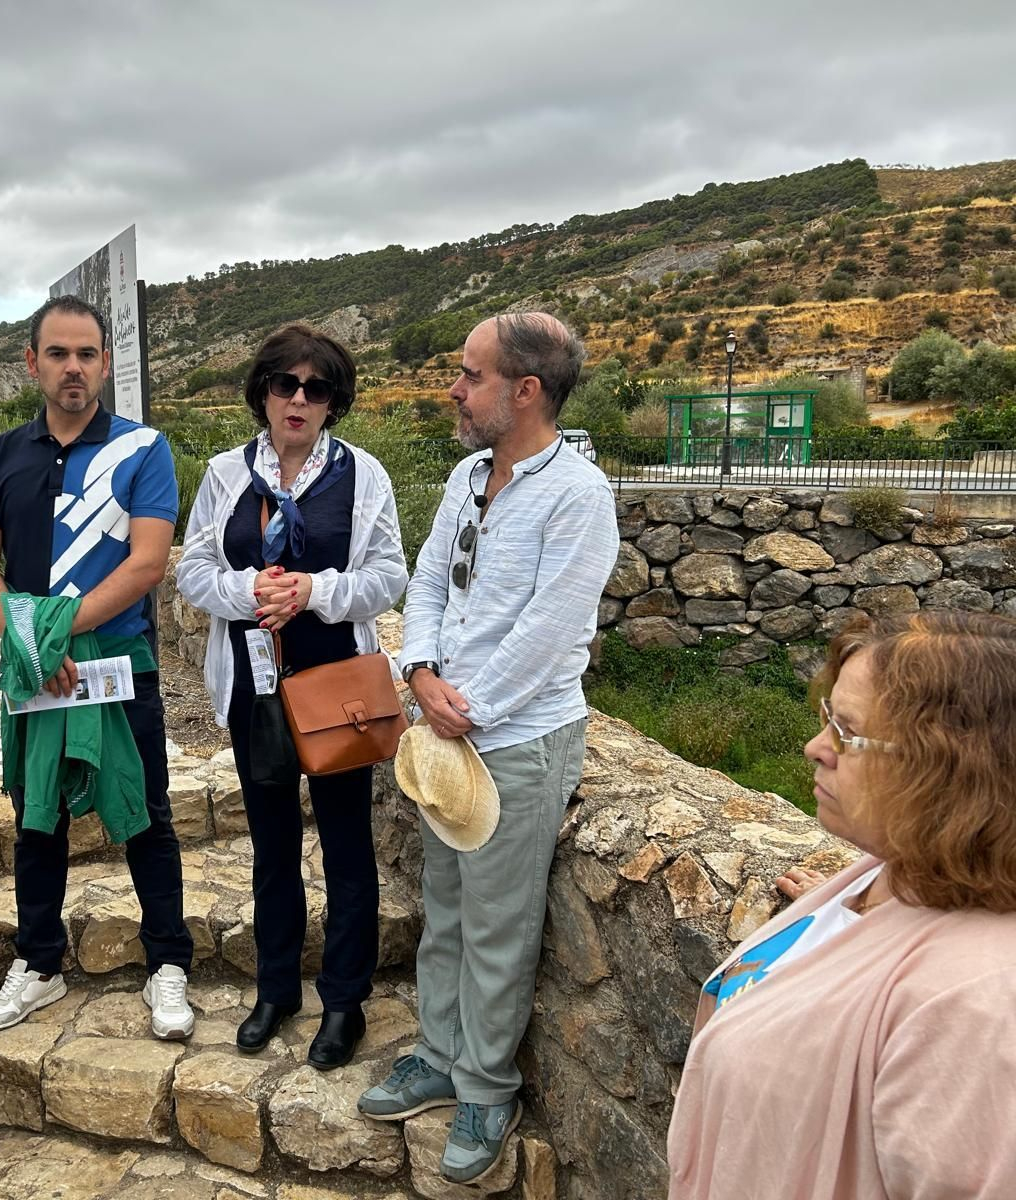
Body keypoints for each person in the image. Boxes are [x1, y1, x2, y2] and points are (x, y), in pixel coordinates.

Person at [356, 313, 619, 1183]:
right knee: (448, 906)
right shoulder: (472, 473)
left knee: (500, 925)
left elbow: (554, 628)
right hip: (448, 727)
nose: (454, 390)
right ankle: (437, 1051)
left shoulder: (578, 495)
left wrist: (475, 706)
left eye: (469, 375)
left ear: (525, 391)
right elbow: (431, 577)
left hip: (518, 740)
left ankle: (486, 1088)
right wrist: (422, 671)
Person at [668, 610, 1016, 1200]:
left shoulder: (977, 1012)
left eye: (846, 734)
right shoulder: (895, 871)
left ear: (948, 769)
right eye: (826, 719)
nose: (814, 747)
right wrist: (837, 934)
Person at [0, 295, 195, 1037]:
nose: (73, 368)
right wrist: (34, 645)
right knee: (37, 817)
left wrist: (57, 636)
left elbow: (147, 562)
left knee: (145, 813)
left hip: (121, 664)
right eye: (58, 354)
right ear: (32, 363)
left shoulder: (143, 449)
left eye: (87, 354)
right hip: (35, 663)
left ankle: (169, 965)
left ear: (104, 363)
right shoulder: (1, 453)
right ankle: (38, 965)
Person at [176, 323, 407, 1067]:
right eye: (286, 384)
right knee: (272, 846)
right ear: (264, 393)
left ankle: (345, 1001)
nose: (299, 399)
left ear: (334, 401)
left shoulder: (363, 476)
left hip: (337, 683)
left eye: (316, 388)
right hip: (256, 689)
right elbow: (193, 571)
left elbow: (389, 576)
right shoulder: (224, 474)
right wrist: (251, 591)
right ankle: (276, 991)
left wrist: (312, 590)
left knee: (346, 847)